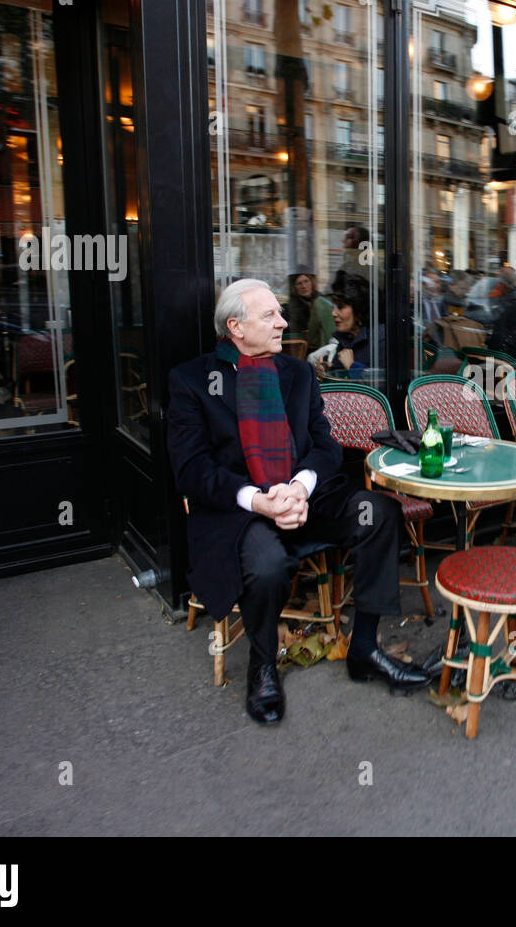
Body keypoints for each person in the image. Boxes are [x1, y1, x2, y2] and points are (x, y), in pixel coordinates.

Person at [166, 279, 430, 725]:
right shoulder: (193, 381)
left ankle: (364, 648)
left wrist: (301, 487)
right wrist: (260, 501)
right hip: (240, 513)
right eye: (269, 315)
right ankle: (263, 665)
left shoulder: (298, 374)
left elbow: (325, 447)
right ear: (235, 326)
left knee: (380, 513)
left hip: (306, 500)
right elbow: (192, 470)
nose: (283, 322)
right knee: (267, 565)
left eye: (280, 312)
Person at [311, 274, 384, 380]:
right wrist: (326, 372)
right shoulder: (346, 338)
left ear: (358, 309)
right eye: (334, 307)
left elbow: (380, 384)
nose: (333, 313)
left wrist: (352, 366)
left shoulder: (381, 339)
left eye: (340, 307)